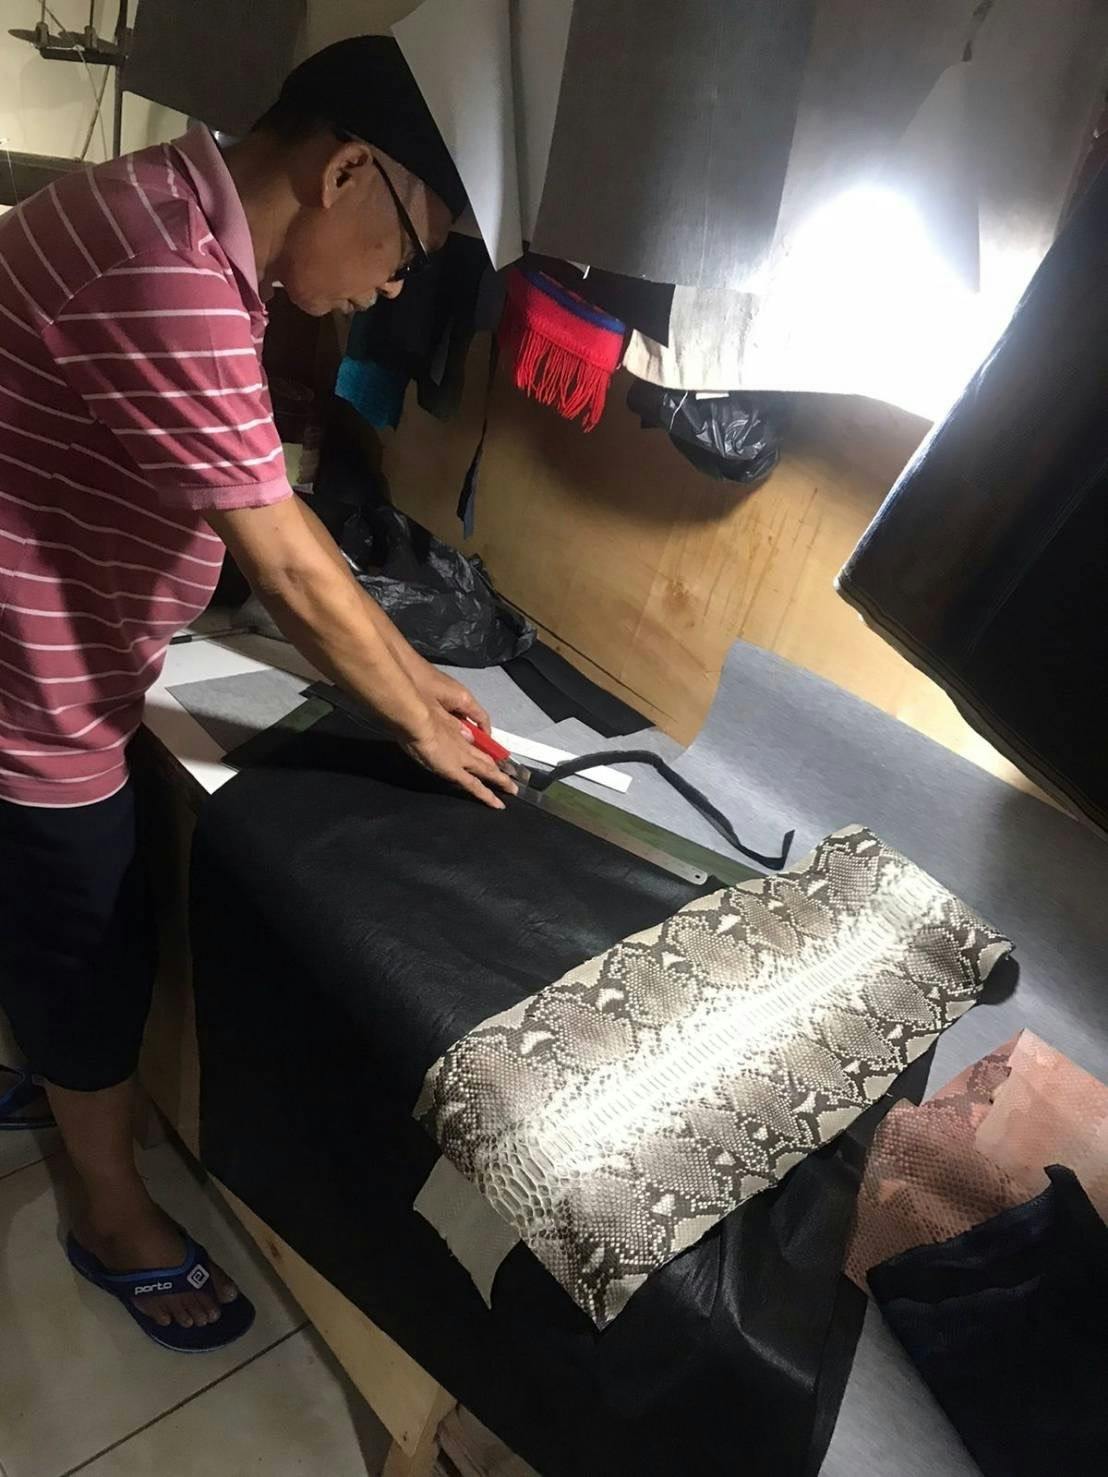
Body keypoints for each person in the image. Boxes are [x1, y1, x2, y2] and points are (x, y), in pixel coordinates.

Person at [0, 35, 514, 1351]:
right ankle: (110, 1213)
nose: (395, 285)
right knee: (87, 942)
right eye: (411, 248)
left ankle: (44, 1074)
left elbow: (274, 510)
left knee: (49, 918)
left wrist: (418, 676)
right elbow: (280, 554)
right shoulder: (166, 266)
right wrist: (417, 722)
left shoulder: (177, 216)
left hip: (56, 640)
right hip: (30, 685)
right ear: (345, 173)